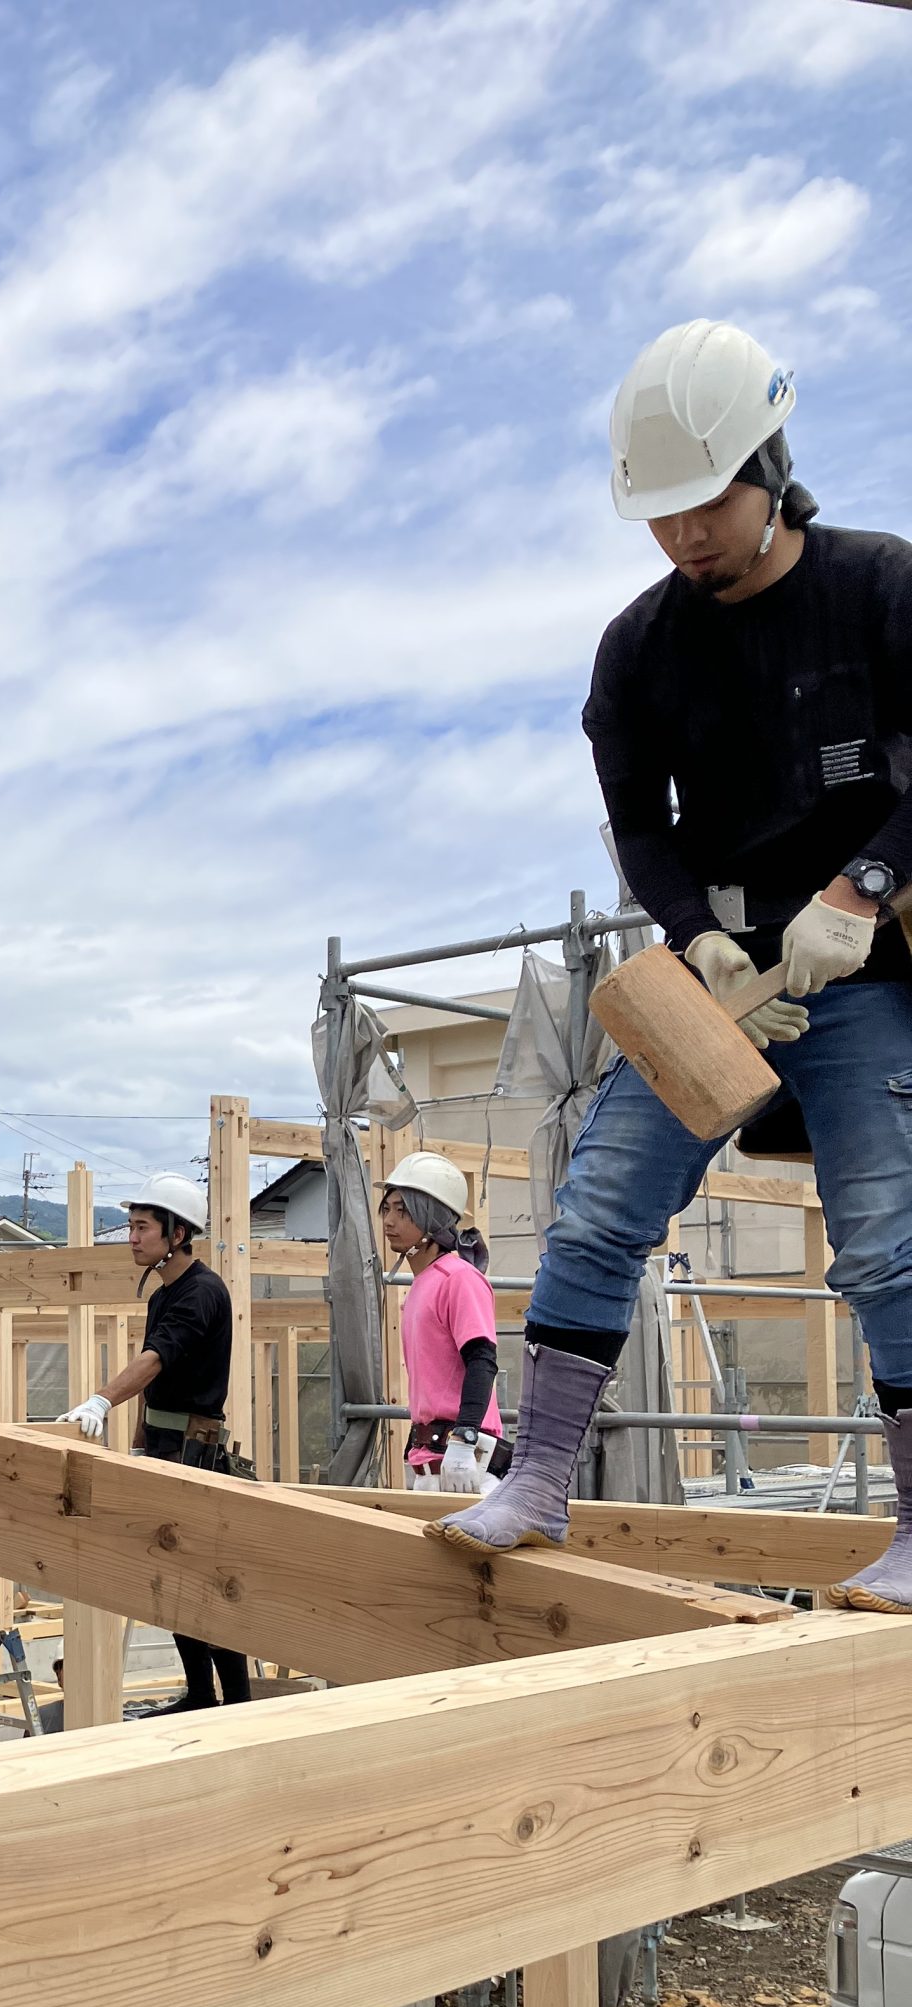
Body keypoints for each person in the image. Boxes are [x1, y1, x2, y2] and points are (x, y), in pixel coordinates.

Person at [435, 317, 912, 1608]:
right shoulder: (639, 649)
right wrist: (694, 927)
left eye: (708, 503)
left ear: (771, 463)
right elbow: (641, 821)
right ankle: (535, 1482)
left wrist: (863, 887)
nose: (686, 535)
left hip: (861, 967)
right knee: (594, 1219)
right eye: (662, 516)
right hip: (717, 976)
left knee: (883, 1246)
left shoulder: (880, 588)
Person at [58, 1174, 252, 1717]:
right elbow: (155, 1381)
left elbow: (154, 1360)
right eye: (132, 1226)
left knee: (204, 1580)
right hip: (167, 1447)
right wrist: (141, 1444)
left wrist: (100, 1401)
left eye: (142, 1227)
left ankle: (235, 1700)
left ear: (178, 1232)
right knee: (168, 1578)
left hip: (195, 1453)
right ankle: (200, 1694)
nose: (132, 1237)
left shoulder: (203, 1292)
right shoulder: (166, 1293)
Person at [379, 1151, 505, 1496]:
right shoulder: (423, 1283)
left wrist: (464, 1438)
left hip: (466, 1463)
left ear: (432, 1218)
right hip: (433, 1460)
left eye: (403, 1211)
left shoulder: (459, 1278)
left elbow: (482, 1359)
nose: (389, 1221)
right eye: (387, 1209)